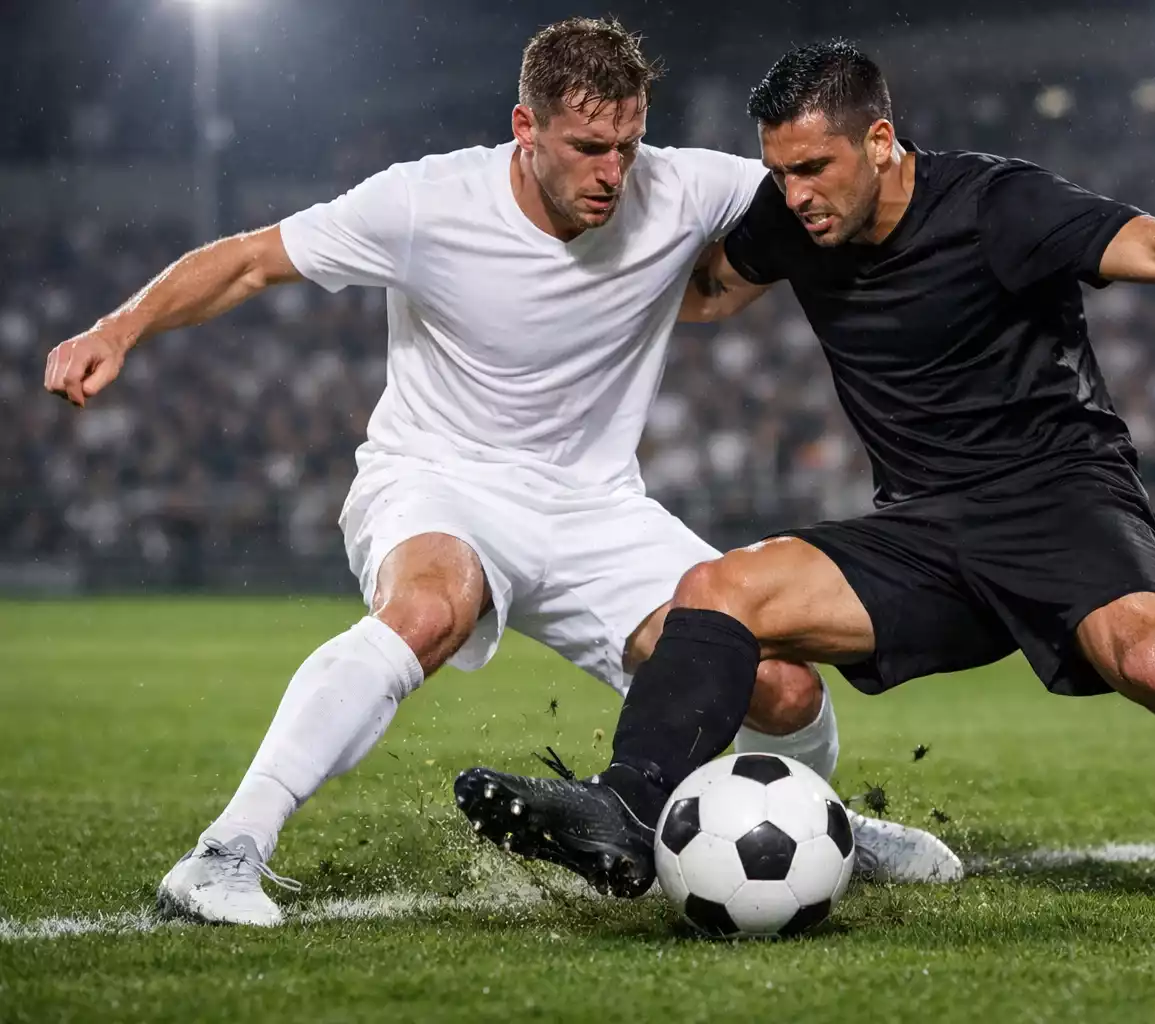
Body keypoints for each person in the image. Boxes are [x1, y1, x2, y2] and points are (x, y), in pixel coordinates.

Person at [454, 41, 1155, 937]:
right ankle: (627, 812)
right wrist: (545, 267)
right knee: (720, 589)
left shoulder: (999, 205)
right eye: (778, 171)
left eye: (813, 167)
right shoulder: (792, 220)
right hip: (924, 529)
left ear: (878, 141)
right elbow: (707, 291)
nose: (794, 193)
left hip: (1057, 497)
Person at [41, 21, 959, 928]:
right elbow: (248, 263)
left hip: (598, 507)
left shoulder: (679, 187)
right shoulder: (426, 203)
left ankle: (814, 823)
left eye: (629, 145)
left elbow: (835, 185)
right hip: (441, 476)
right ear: (526, 128)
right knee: (427, 610)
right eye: (589, 147)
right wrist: (117, 330)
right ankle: (226, 851)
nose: (614, 171)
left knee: (782, 682)